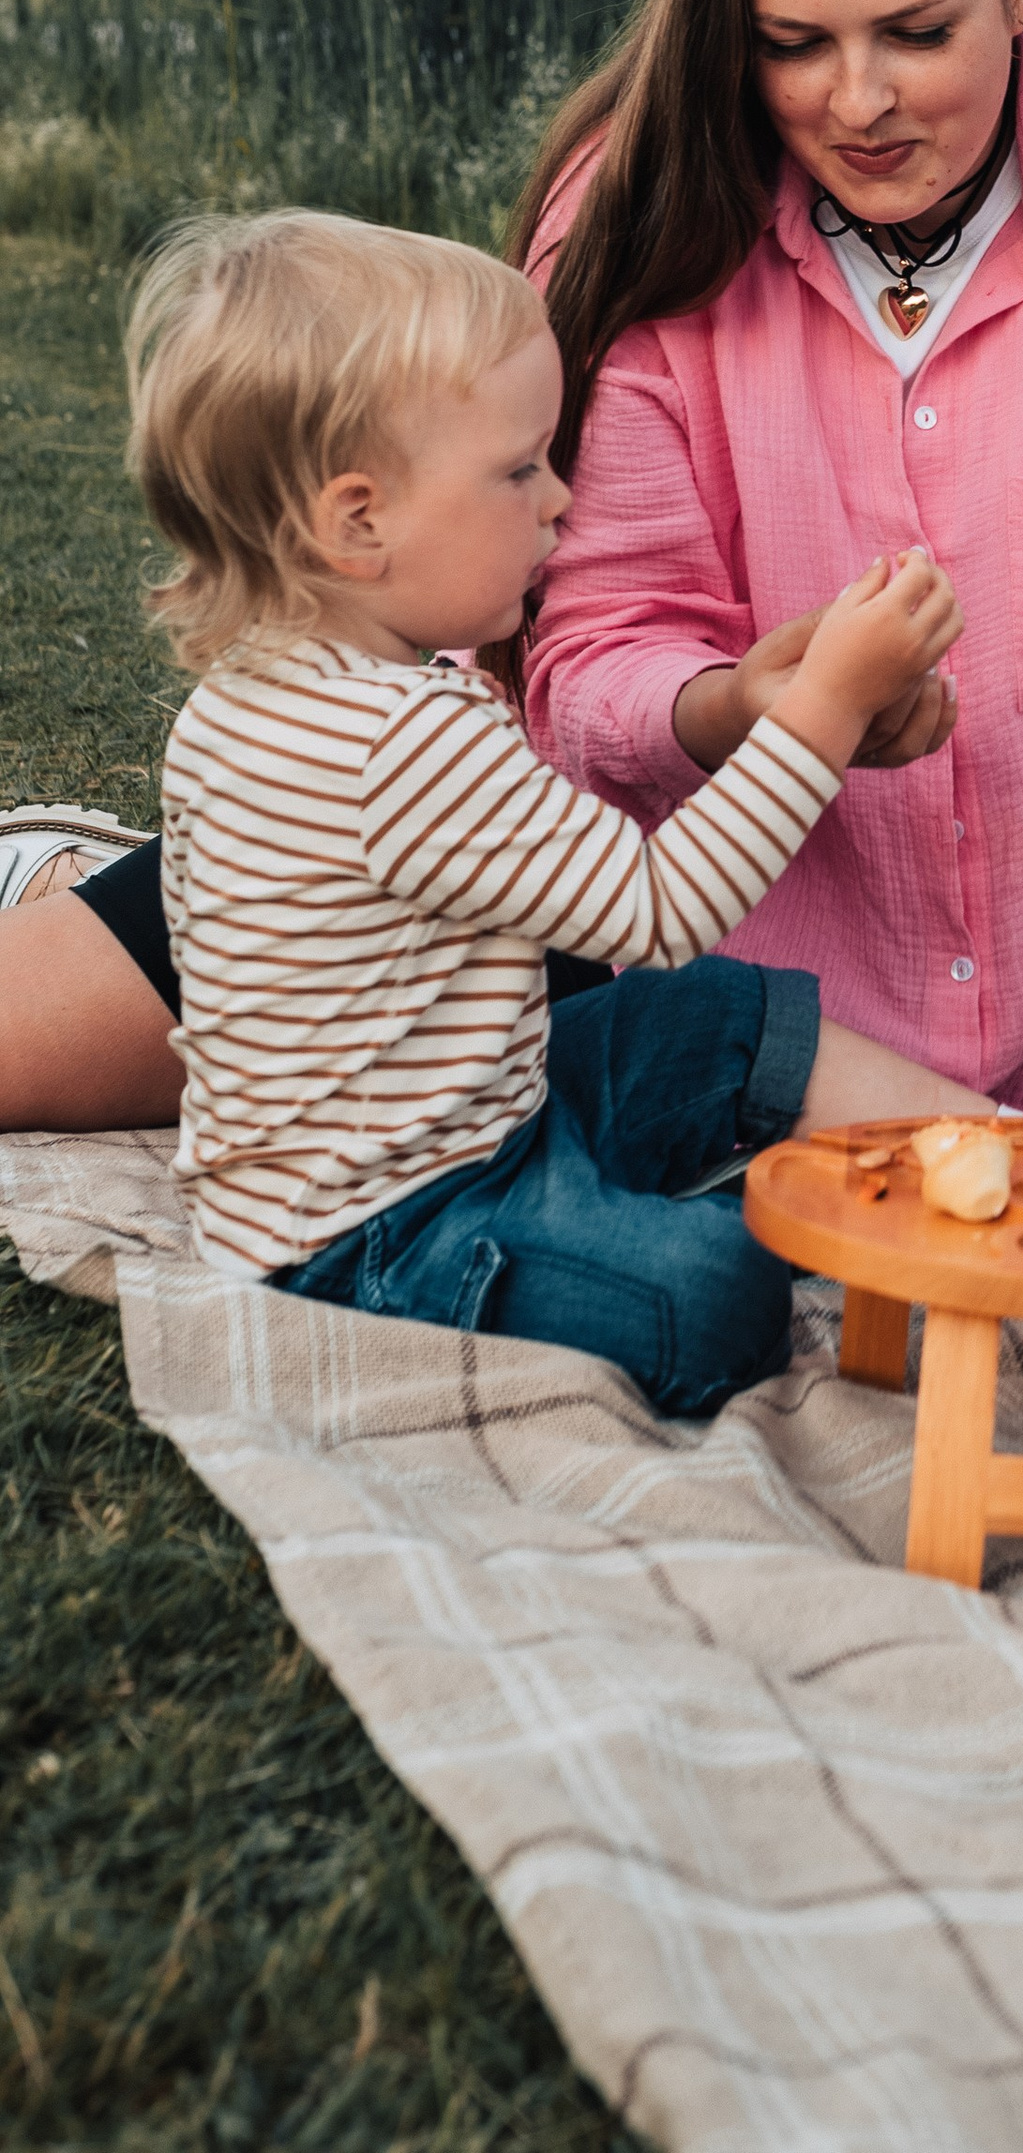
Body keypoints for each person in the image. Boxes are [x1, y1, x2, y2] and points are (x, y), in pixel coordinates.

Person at [5, 0, 1023, 1132]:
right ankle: (58, 878)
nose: (856, 100)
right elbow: (580, 660)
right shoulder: (637, 203)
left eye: (915, 32)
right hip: (564, 920)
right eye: (794, 44)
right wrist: (745, 708)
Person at [129, 207, 979, 1414]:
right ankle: (949, 1186)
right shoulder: (399, 741)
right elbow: (660, 909)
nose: (560, 497)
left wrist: (773, 702)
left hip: (459, 1125)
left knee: (712, 1013)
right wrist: (824, 709)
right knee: (718, 1293)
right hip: (379, 1236)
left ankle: (1010, 1144)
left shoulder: (259, 693)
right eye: (519, 468)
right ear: (358, 520)